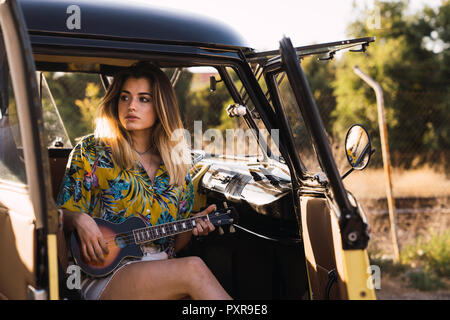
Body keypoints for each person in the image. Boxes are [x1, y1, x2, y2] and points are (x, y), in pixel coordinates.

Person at [57, 62, 232, 300]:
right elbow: (56, 218)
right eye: (125, 97)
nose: (131, 106)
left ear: (161, 106)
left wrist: (194, 227)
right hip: (104, 275)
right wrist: (79, 218)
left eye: (144, 99)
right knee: (194, 269)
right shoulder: (91, 151)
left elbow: (174, 244)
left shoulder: (178, 161)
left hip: (163, 271)